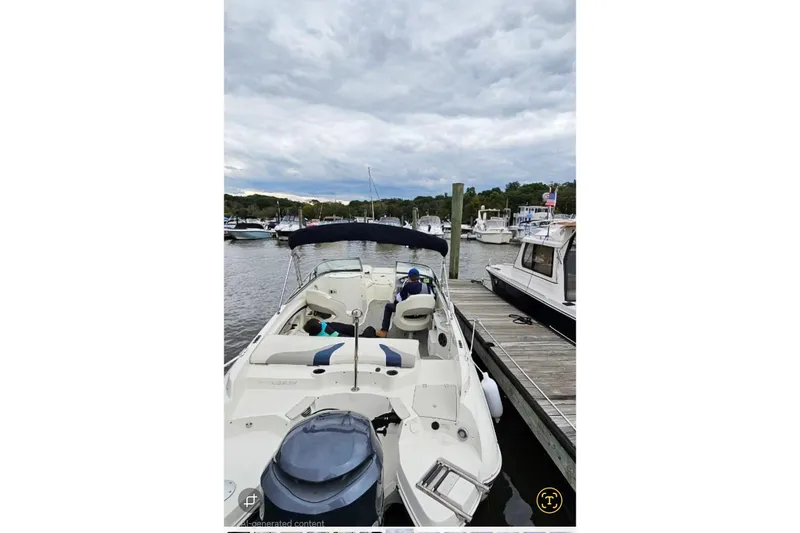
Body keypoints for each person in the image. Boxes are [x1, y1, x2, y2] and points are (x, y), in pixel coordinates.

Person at [377, 268, 433, 337]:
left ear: (409, 278)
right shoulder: (427, 287)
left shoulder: (406, 287)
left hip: (407, 314)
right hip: (422, 315)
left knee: (388, 306)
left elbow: (397, 300)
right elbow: (432, 297)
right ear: (418, 277)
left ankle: (384, 331)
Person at [303, 318, 378, 338]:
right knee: (370, 329)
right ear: (320, 323)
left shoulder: (313, 337)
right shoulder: (327, 326)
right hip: (349, 340)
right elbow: (351, 328)